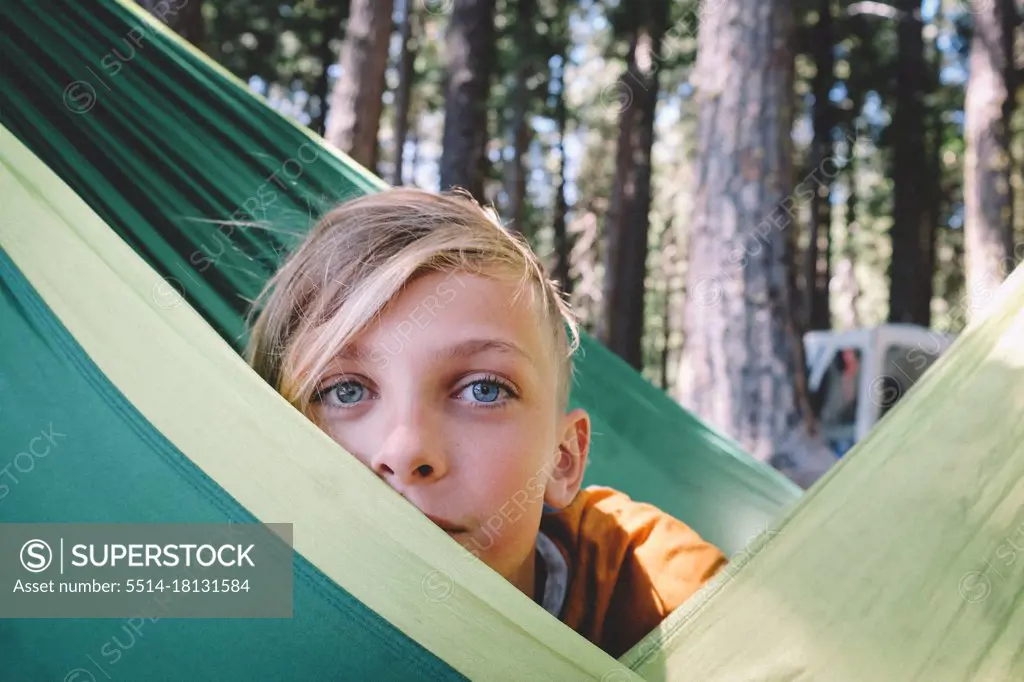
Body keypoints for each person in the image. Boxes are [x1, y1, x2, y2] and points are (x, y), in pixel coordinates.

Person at [245, 187, 727, 658]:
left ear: (562, 462)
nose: (405, 450)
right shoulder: (222, 574)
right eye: (344, 391)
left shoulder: (662, 591)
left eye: (484, 389)